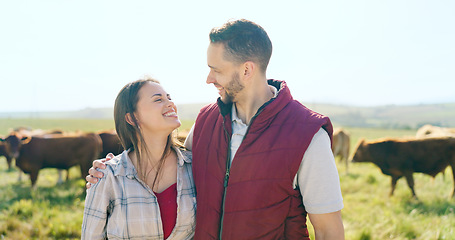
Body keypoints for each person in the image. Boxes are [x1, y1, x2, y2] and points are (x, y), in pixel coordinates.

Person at [87, 19, 344, 239]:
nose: (208, 79)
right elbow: (171, 166)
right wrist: (113, 168)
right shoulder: (205, 121)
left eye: (216, 70)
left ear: (246, 70)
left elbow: (329, 231)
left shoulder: (308, 134)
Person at [81, 78, 196, 239]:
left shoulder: (194, 168)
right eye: (158, 99)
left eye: (169, 98)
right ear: (132, 118)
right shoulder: (107, 176)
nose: (170, 103)